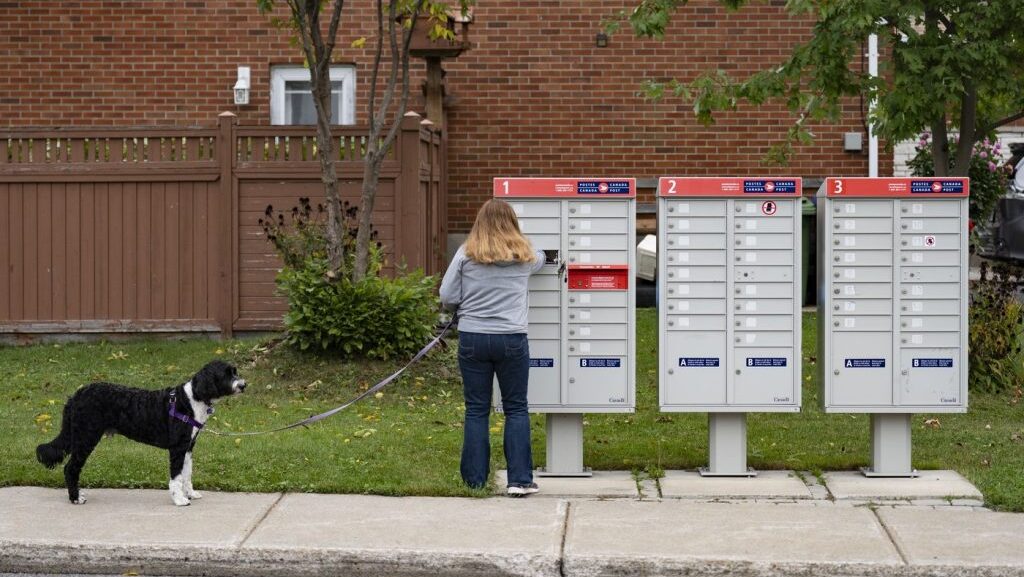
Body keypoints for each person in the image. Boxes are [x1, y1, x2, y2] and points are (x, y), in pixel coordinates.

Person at [439, 199, 546, 497]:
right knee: (515, 408)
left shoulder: (466, 253)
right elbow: (543, 258)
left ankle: (475, 481)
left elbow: (447, 295)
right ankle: (520, 480)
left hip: (473, 338)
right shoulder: (525, 256)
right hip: (511, 338)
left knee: (476, 409)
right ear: (512, 223)